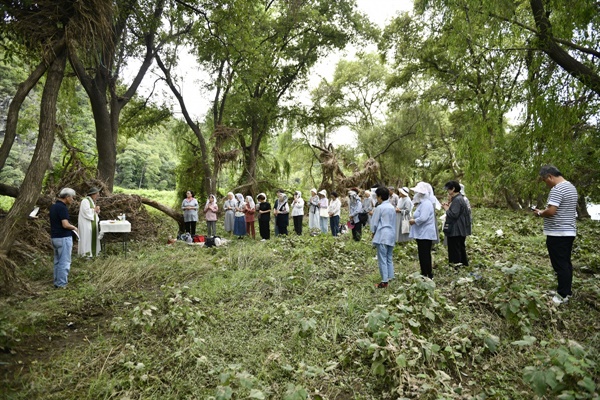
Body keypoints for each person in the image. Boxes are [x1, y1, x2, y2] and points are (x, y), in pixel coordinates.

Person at [532, 165, 578, 304]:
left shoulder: (557, 189)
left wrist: (540, 213)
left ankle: (562, 295)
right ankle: (565, 291)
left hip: (558, 233)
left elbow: (551, 211)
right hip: (569, 231)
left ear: (550, 177)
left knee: (560, 264)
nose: (546, 184)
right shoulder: (571, 187)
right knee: (565, 263)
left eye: (545, 180)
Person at [409, 182, 439, 279]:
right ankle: (424, 272)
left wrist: (414, 221)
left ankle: (428, 274)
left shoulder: (426, 204)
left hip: (425, 233)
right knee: (422, 254)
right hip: (422, 233)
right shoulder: (422, 204)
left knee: (425, 254)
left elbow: (423, 218)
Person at [50, 188, 78, 289]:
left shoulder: (53, 206)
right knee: (65, 262)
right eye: (72, 198)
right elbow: (65, 224)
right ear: (67, 197)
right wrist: (74, 228)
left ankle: (57, 282)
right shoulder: (62, 208)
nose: (73, 200)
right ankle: (62, 284)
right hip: (63, 237)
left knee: (57, 261)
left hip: (55, 237)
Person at [371, 186, 397, 288]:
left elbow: (374, 223)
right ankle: (390, 277)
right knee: (389, 257)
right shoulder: (392, 207)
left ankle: (384, 281)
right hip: (391, 233)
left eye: (377, 196)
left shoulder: (380, 208)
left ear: (380, 197)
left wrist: (373, 233)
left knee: (382, 258)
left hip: (382, 234)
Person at [442, 180, 472, 267]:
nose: (448, 191)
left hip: (456, 229)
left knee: (455, 249)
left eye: (448, 189)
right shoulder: (458, 198)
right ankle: (463, 264)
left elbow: (453, 215)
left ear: (453, 189)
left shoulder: (457, 200)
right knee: (460, 248)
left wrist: (446, 208)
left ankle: (456, 266)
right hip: (460, 228)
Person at [78, 187, 101, 257]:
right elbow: (86, 212)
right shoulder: (85, 201)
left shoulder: (91, 201)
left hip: (91, 224)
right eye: (97, 194)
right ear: (92, 194)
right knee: (86, 239)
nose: (98, 196)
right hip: (86, 224)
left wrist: (97, 211)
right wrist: (94, 209)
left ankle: (93, 253)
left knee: (91, 238)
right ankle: (86, 255)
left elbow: (93, 212)